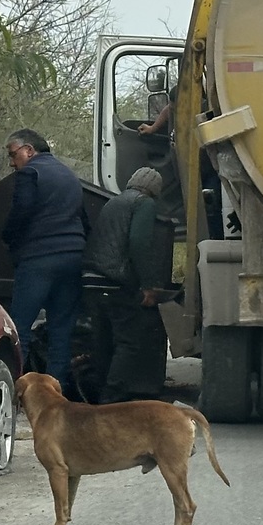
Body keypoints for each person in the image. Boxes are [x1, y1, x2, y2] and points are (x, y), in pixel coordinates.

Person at [1, 128, 91, 399]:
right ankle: (54, 397)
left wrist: (8, 238)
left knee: (19, 328)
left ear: (29, 150)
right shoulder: (70, 176)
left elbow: (22, 212)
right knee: (61, 330)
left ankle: (13, 394)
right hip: (74, 256)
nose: (12, 162)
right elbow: (85, 221)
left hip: (40, 258)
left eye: (13, 154)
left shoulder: (30, 173)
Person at [82, 166, 174, 402]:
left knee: (103, 340)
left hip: (91, 279)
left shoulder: (114, 202)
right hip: (115, 282)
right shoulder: (144, 204)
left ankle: (98, 393)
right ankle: (112, 397)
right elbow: (139, 243)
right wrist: (148, 284)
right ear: (154, 189)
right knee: (129, 341)